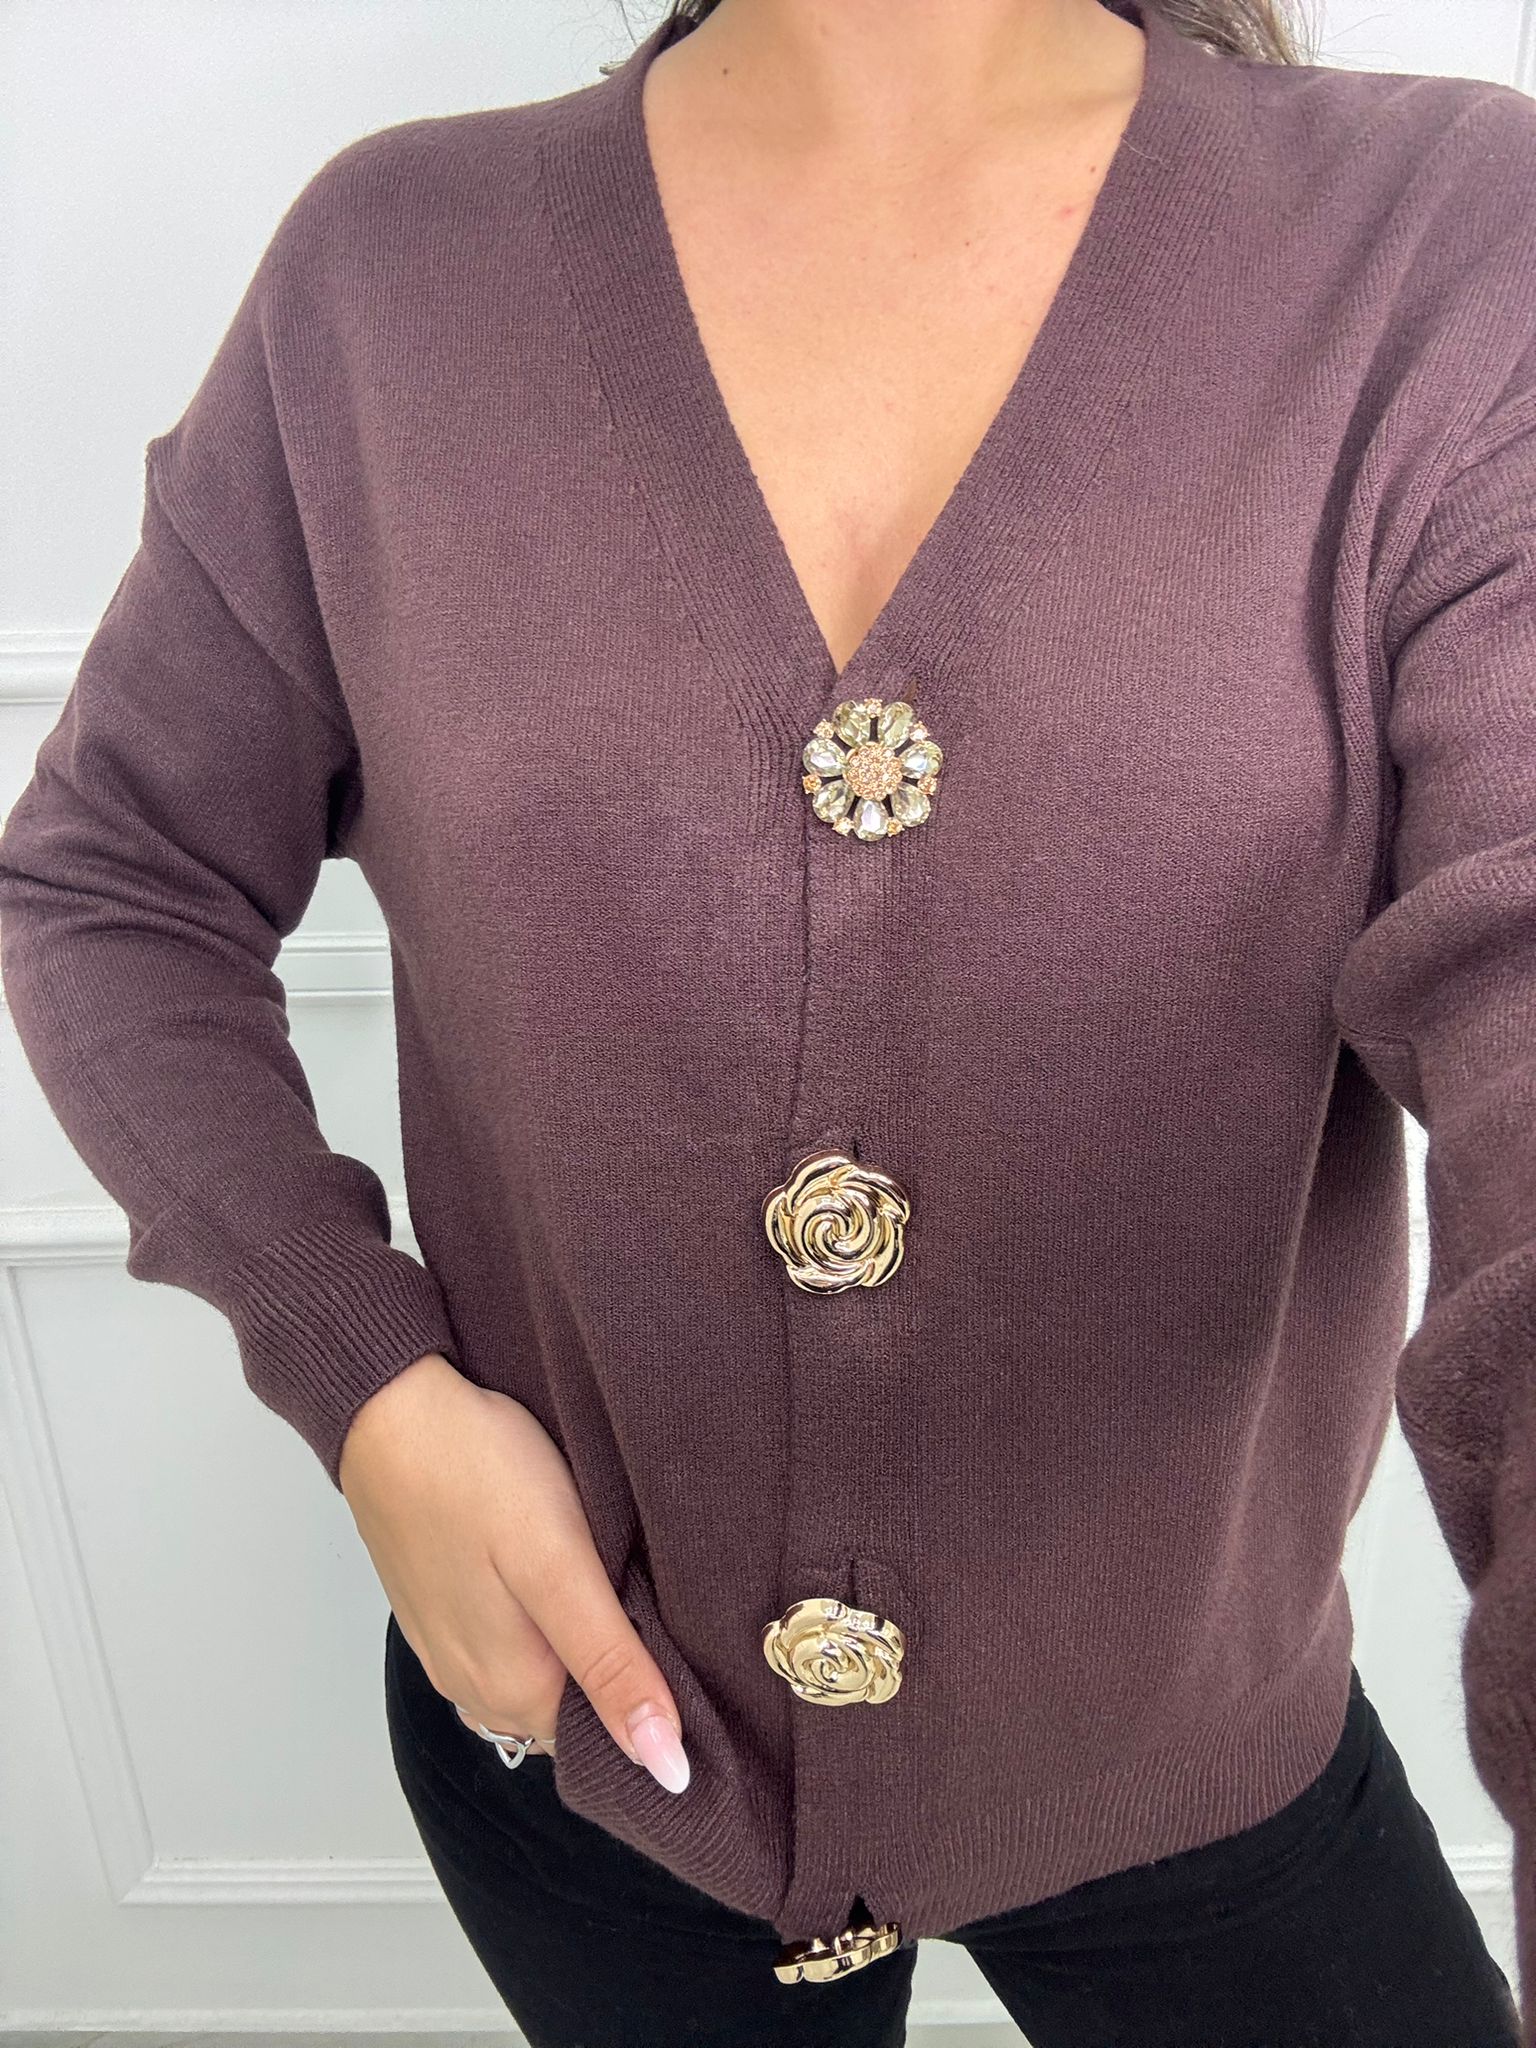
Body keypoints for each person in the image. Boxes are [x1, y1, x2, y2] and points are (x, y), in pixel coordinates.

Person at [2, 0, 1534, 2041]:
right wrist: (368, 1385)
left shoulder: (1438, 247)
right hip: (592, 1744)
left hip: (1209, 1747)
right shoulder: (384, 281)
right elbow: (116, 879)